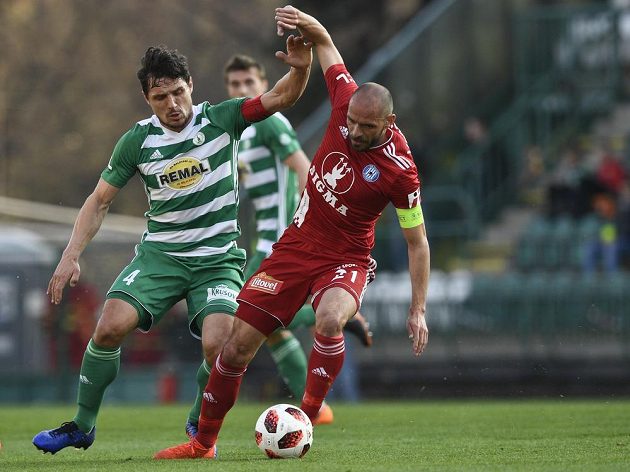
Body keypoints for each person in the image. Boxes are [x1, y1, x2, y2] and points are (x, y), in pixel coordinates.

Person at [154, 5, 429, 460]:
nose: (354, 131)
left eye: (366, 127)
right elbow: (326, 44)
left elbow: (417, 242)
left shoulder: (401, 173)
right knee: (234, 348)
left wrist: (417, 309)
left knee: (327, 319)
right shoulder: (344, 100)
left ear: (389, 125)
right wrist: (304, 23)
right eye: (351, 122)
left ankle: (307, 414)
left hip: (347, 259)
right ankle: (203, 444)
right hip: (295, 247)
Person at [32, 35, 313, 455]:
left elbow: (281, 96)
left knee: (220, 345)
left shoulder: (223, 118)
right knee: (108, 326)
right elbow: (99, 200)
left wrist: (302, 68)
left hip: (217, 259)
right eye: (160, 96)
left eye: (178, 92)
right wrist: (71, 254)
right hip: (161, 255)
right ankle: (82, 425)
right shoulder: (137, 141)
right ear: (147, 98)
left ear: (192, 85)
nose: (172, 104)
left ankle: (200, 425)